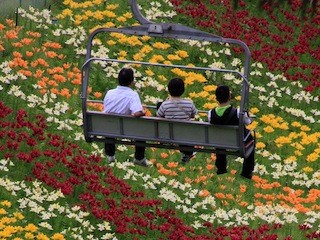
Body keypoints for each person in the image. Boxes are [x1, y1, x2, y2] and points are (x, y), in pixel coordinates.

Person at [103, 67, 150, 167]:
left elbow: (107, 109)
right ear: (132, 82)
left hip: (108, 128)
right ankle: (139, 158)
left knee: (109, 124)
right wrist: (143, 112)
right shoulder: (132, 95)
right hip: (127, 130)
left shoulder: (109, 93)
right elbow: (137, 113)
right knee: (142, 129)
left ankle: (110, 155)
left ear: (118, 79)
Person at [208, 85, 255, 179]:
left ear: (216, 98)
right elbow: (248, 122)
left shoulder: (210, 113)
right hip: (238, 141)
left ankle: (221, 168)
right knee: (251, 142)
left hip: (219, 142)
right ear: (230, 97)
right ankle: (247, 172)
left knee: (220, 138)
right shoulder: (238, 113)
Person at [157, 78, 198, 164]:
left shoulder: (165, 104)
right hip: (185, 135)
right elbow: (194, 115)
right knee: (183, 131)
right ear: (183, 90)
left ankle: (186, 153)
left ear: (168, 90)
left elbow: (159, 115)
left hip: (168, 135)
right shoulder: (189, 103)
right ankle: (188, 153)